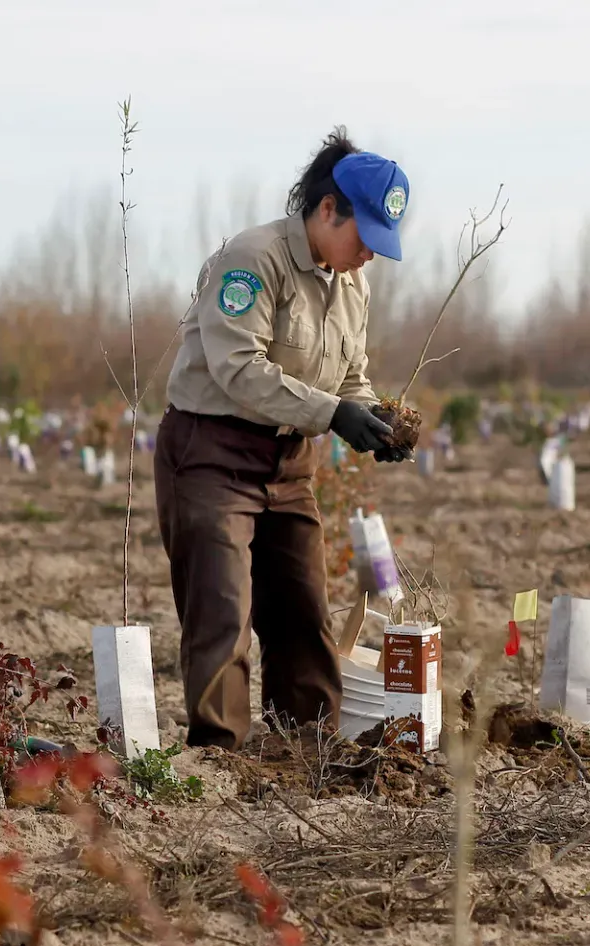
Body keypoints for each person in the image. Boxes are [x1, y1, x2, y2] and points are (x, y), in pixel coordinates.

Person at [155, 127, 413, 751]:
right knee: (222, 613)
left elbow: (350, 375)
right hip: (211, 455)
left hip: (289, 462)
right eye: (364, 237)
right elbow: (238, 369)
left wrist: (374, 419)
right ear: (329, 209)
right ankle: (221, 759)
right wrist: (333, 414)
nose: (369, 255)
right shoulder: (253, 259)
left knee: (303, 611)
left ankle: (308, 752)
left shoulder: (353, 284)